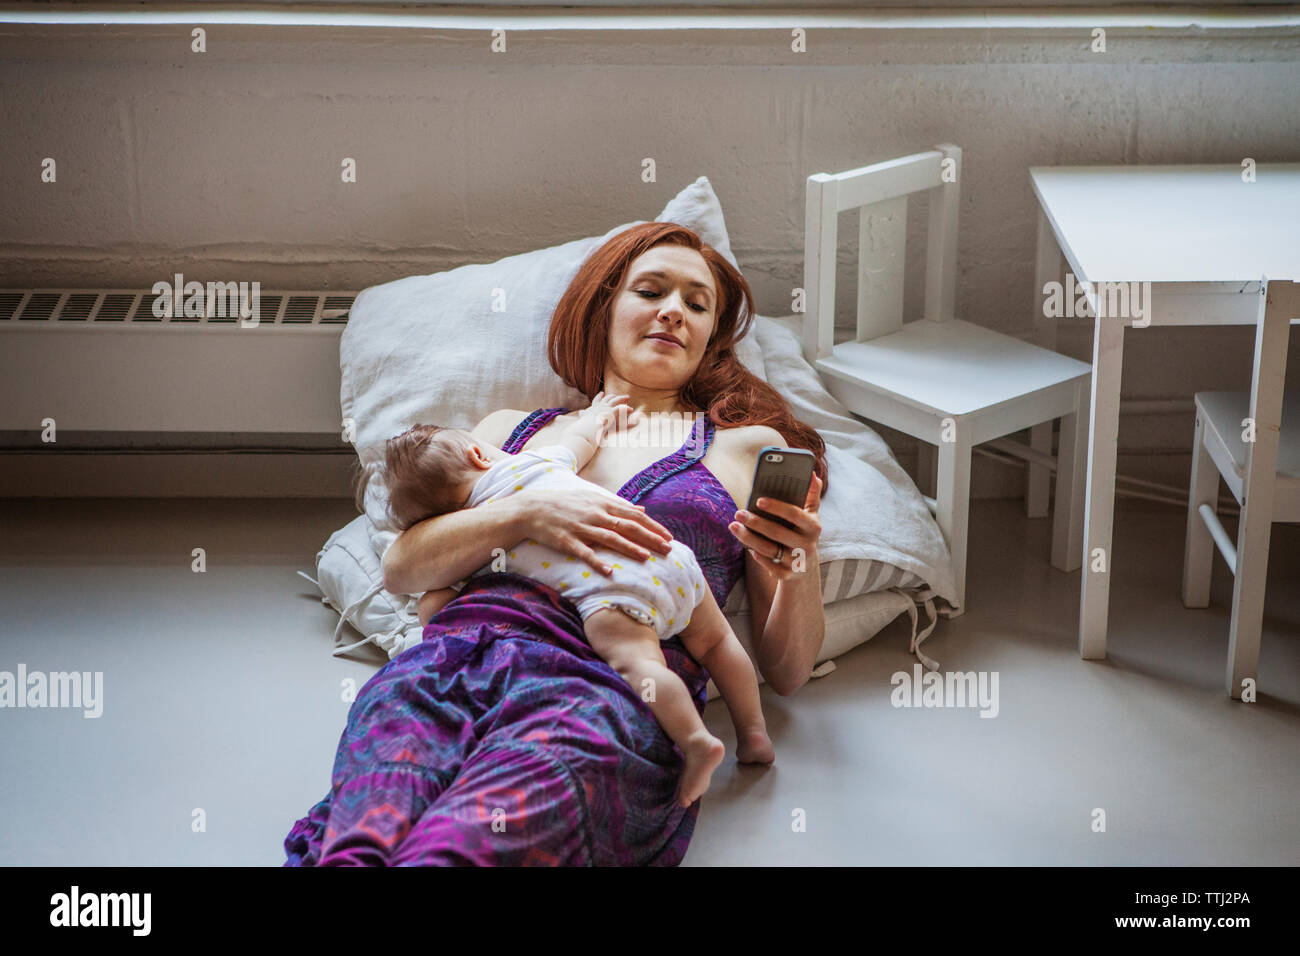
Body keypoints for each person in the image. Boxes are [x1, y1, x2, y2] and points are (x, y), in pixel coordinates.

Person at [284, 221, 829, 866]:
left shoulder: (746, 447)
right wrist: (528, 512)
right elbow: (403, 568)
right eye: (651, 290)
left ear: (711, 337)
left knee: (460, 849)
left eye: (697, 303)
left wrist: (798, 565)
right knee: (361, 840)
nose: (673, 312)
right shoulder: (505, 432)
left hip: (604, 687)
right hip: (449, 665)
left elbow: (788, 672)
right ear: (604, 311)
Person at [380, 390, 775, 808]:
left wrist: (431, 602)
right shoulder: (536, 462)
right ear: (480, 454)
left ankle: (696, 740)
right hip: (668, 553)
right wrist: (599, 416)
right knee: (717, 642)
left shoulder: (477, 535)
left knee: (637, 662)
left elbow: (438, 606)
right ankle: (753, 732)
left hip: (614, 587)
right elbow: (580, 440)